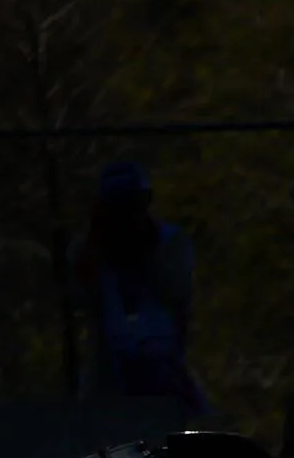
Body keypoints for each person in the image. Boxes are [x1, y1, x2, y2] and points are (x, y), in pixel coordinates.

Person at [73, 160, 211, 416]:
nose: (125, 219)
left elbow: (177, 292)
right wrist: (97, 247)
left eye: (132, 207)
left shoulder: (170, 244)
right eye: (117, 209)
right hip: (110, 370)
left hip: (163, 361)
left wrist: (143, 254)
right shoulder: (90, 249)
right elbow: (77, 296)